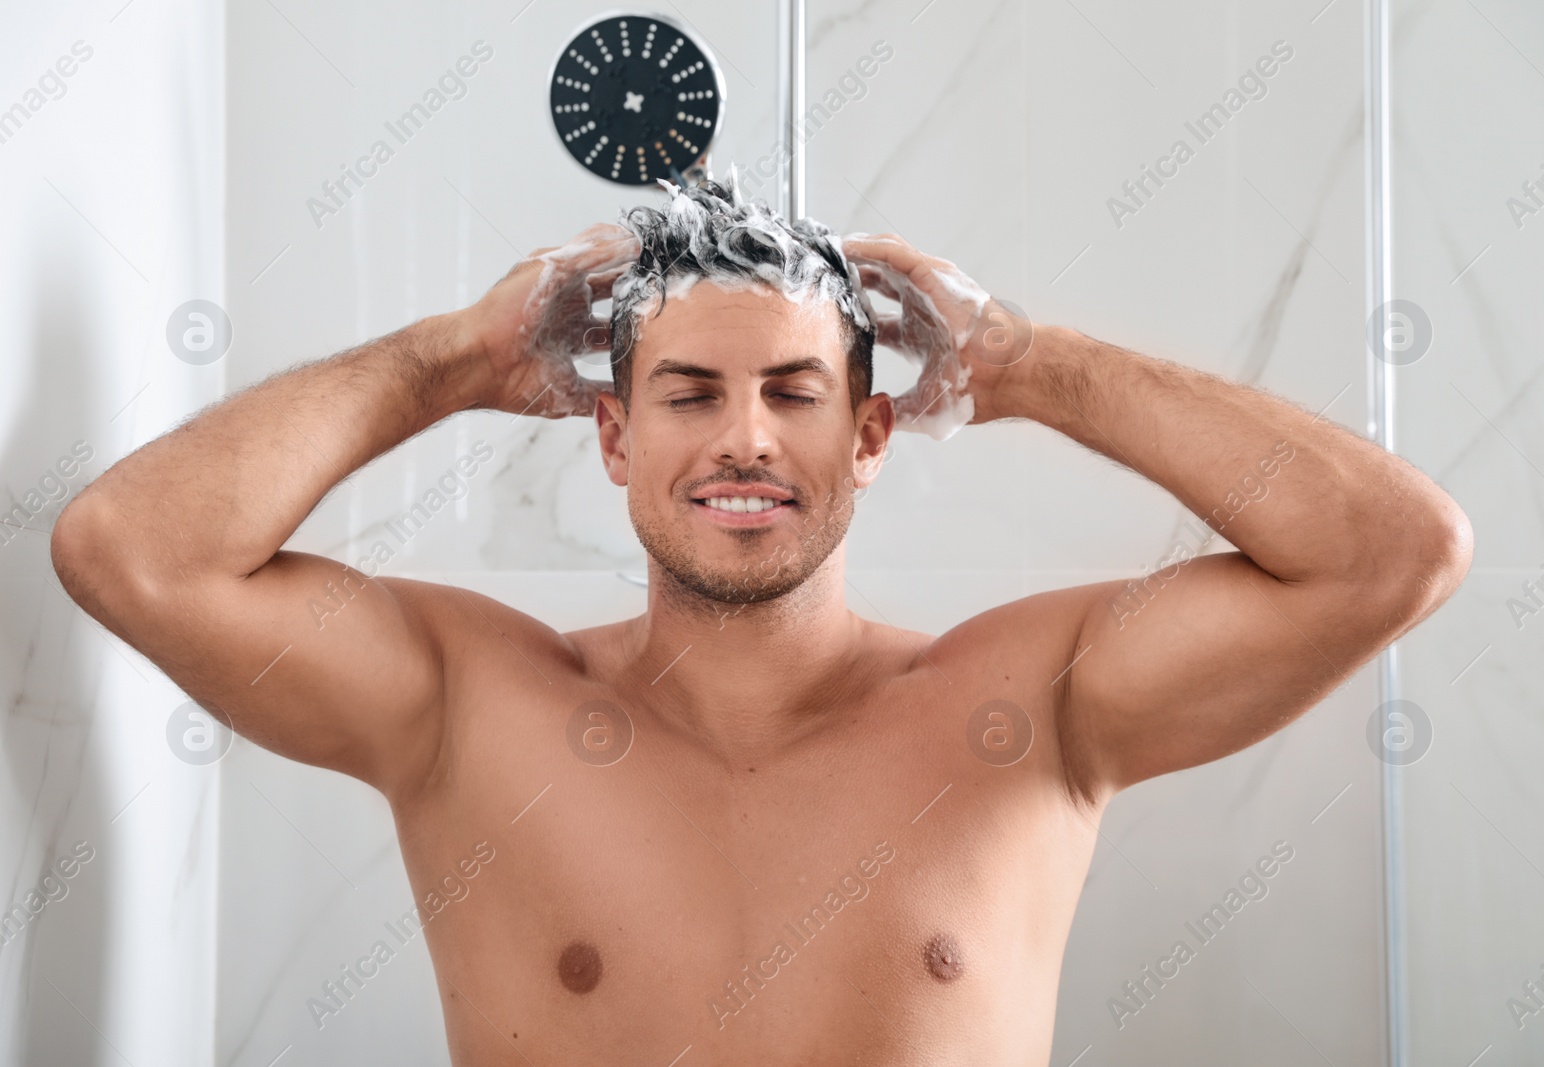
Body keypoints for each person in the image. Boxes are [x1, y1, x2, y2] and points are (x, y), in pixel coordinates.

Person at [51, 177, 1471, 1065]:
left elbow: (1394, 553)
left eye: (794, 394)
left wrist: (1035, 366)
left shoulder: (1038, 709)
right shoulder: (466, 710)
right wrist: (454, 359)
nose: (744, 442)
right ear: (611, 438)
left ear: (871, 437)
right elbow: (132, 553)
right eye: (689, 394)